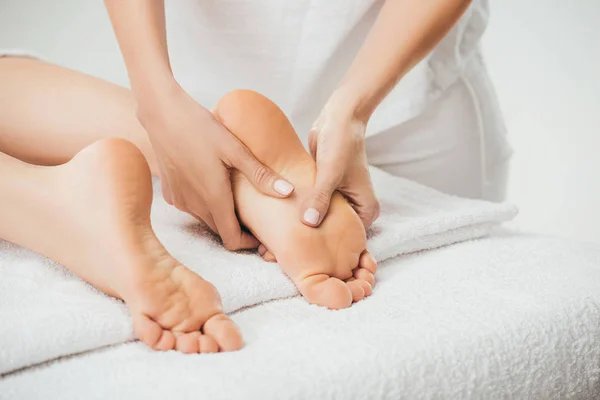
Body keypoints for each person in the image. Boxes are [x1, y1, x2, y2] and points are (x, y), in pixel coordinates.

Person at [0, 0, 511, 352]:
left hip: (199, 95)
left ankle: (50, 202)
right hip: (401, 95)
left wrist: (155, 99)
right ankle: (251, 176)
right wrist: (353, 107)